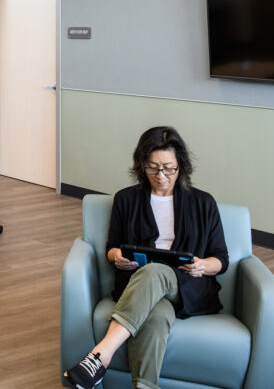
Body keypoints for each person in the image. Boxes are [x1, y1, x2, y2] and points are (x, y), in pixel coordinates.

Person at [64, 126, 228, 389]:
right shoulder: (126, 199)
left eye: (169, 168)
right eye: (153, 168)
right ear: (142, 165)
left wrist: (202, 266)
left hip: (188, 286)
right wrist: (116, 257)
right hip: (138, 287)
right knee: (157, 314)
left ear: (181, 166)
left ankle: (101, 355)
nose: (161, 176)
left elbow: (221, 258)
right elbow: (112, 247)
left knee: (156, 270)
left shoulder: (203, 202)